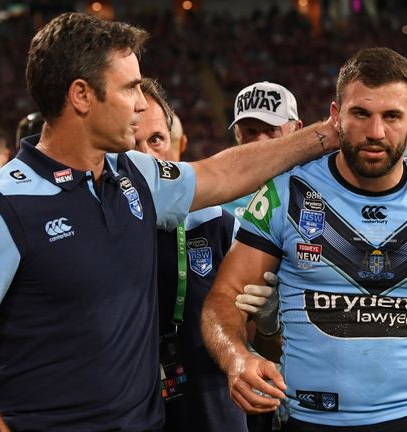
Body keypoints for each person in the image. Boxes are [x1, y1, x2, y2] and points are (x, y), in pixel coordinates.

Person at [0, 12, 339, 431]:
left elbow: (223, 173)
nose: (142, 102)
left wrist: (329, 134)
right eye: (130, 88)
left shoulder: (136, 175)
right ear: (82, 96)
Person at [201, 47, 407, 431]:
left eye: (391, 116)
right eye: (361, 113)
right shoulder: (285, 197)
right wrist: (236, 358)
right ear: (335, 116)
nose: (376, 132)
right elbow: (223, 300)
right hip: (309, 421)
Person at [136, 77, 247, 432]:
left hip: (212, 409)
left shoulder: (216, 223)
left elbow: (257, 332)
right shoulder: (95, 229)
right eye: (132, 143)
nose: (147, 157)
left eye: (156, 140)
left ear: (174, 143)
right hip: (131, 409)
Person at [222, 81, 303, 219]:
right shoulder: (218, 193)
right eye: (250, 131)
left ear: (297, 130)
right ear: (237, 133)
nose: (260, 141)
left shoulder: (316, 187)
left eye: (271, 130)